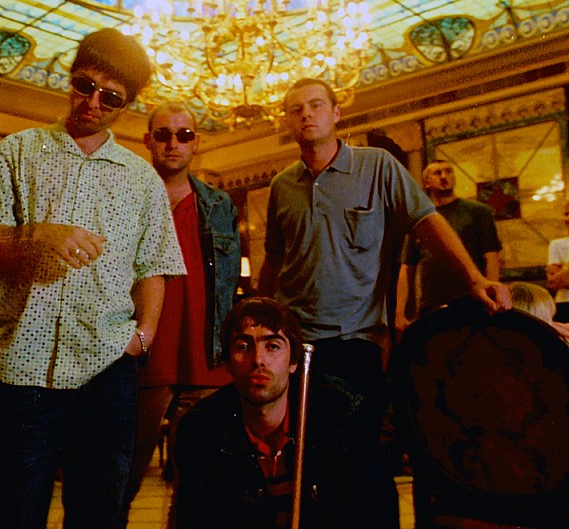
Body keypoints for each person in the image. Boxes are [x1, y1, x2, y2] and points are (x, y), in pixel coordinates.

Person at [256, 77, 510, 525]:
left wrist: (474, 278)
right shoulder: (282, 184)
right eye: (296, 109)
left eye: (316, 105)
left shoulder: (377, 167)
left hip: (356, 338)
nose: (306, 114)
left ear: (337, 113)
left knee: (361, 463)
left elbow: (426, 222)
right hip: (292, 342)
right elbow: (276, 259)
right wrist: (258, 314)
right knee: (306, 460)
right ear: (288, 122)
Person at [0, 28, 186, 529]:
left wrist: (143, 337)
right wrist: (34, 235)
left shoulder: (141, 179)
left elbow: (153, 268)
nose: (92, 102)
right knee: (11, 514)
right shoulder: (17, 152)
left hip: (107, 370)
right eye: (84, 85)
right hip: (22, 368)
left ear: (127, 105)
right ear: (71, 77)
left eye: (110, 97)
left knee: (98, 515)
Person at [117, 102, 241, 526]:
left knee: (199, 490)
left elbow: (228, 284)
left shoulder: (219, 205)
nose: (174, 143)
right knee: (118, 482)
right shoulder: (126, 196)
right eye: (164, 134)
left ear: (196, 142)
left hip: (207, 360)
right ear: (148, 140)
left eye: (184, 135)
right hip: (141, 358)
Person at [174, 297, 399, 529]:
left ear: (293, 362)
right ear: (228, 363)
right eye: (243, 346)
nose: (258, 360)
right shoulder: (200, 429)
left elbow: (373, 515)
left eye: (272, 346)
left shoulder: (343, 414)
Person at [396, 159, 502, 332]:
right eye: (437, 173)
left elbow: (491, 256)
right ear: (427, 182)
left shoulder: (478, 212)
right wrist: (399, 312)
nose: (444, 176)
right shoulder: (419, 220)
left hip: (471, 302)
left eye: (448, 171)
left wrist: (493, 297)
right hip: (432, 306)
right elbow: (407, 268)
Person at [547, 200, 569, 322]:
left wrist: (564, 269)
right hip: (564, 303)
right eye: (566, 214)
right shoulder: (557, 245)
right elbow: (553, 283)